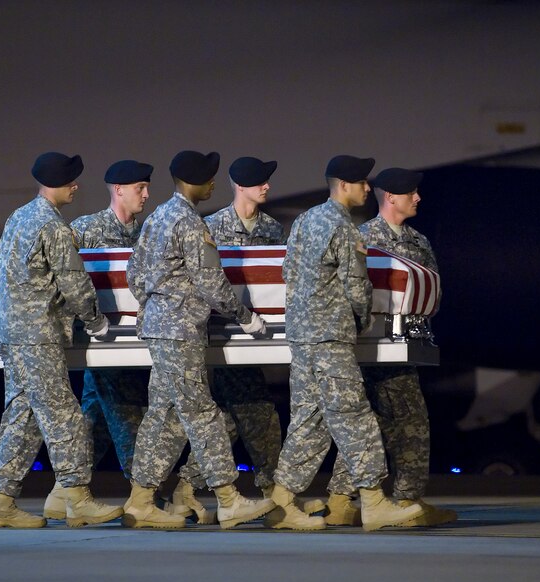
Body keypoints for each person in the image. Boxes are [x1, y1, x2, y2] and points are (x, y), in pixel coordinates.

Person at [265, 155, 425, 532]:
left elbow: (288, 271)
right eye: (363, 183)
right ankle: (373, 502)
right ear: (344, 185)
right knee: (354, 414)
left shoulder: (304, 220)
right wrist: (362, 320)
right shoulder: (343, 226)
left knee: (310, 420)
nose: (368, 189)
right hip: (330, 336)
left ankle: (281, 502)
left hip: (302, 336)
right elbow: (357, 287)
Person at [123, 150, 275, 529]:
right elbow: (211, 283)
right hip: (180, 331)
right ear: (196, 181)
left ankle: (139, 501)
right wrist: (246, 318)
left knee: (165, 416)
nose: (213, 183)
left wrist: (157, 304)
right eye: (209, 177)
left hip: (160, 329)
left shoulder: (158, 216)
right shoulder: (190, 222)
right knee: (202, 413)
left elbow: (133, 274)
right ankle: (228, 499)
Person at [0, 152, 124, 529]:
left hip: (12, 333)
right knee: (65, 416)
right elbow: (74, 282)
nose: (77, 186)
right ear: (59, 183)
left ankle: (0, 502)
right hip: (39, 334)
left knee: (22, 417)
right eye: (72, 180)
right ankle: (77, 499)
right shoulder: (53, 226)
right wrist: (94, 320)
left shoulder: (19, 218)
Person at [318, 167, 456, 527]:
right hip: (365, 349)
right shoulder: (362, 238)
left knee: (406, 422)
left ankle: (402, 497)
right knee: (369, 426)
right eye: (411, 192)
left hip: (402, 348)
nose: (418, 198)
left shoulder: (419, 242)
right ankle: (343, 500)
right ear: (390, 197)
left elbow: (432, 295)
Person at [167, 157, 284, 523]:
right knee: (251, 412)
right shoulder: (210, 226)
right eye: (259, 180)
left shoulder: (272, 229)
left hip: (256, 335)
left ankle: (188, 489)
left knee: (243, 415)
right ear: (240, 184)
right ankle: (272, 495)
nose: (266, 186)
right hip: (219, 336)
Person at [41, 159, 153, 520]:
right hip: (101, 339)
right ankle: (142, 494)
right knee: (126, 410)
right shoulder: (85, 229)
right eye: (140, 188)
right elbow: (64, 281)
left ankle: (62, 495)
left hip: (133, 340)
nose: (147, 195)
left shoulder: (146, 233)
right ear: (118, 190)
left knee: (94, 421)